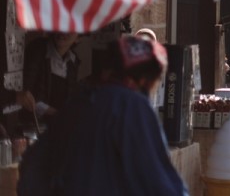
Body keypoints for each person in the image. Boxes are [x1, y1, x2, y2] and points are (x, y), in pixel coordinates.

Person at [17, 35, 188, 195]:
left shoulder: (77, 103)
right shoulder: (133, 106)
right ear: (146, 79)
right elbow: (159, 179)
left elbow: (32, 167)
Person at [18, 32, 80, 129]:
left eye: (70, 30)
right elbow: (25, 94)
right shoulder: (38, 49)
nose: (63, 32)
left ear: (78, 38)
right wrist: (57, 114)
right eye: (61, 27)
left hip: (59, 126)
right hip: (33, 124)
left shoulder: (73, 61)